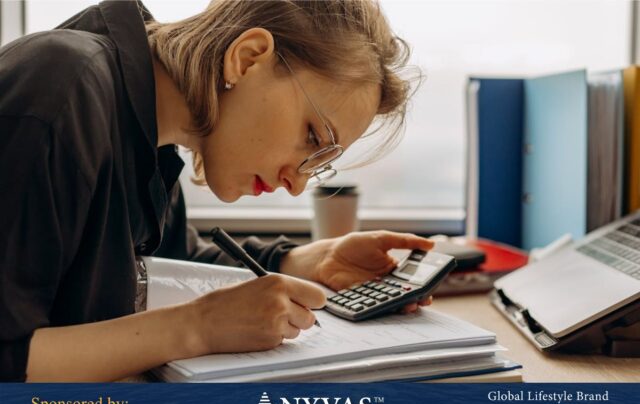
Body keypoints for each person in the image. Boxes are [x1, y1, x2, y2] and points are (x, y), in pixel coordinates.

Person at [0, 0, 434, 382]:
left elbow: (168, 261)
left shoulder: (150, 136)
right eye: (313, 137)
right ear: (248, 59)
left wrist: (300, 261)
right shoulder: (60, 92)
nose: (297, 182)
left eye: (321, 162)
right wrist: (197, 328)